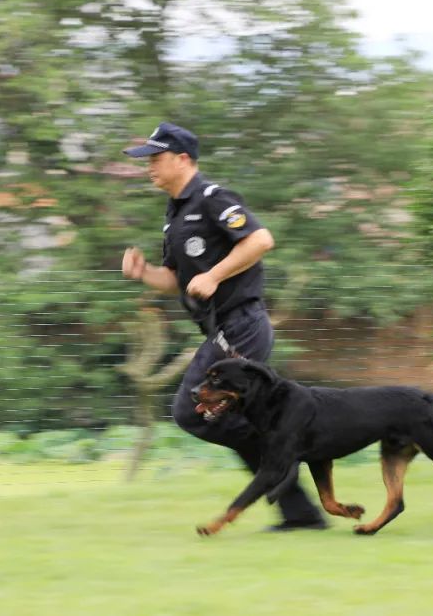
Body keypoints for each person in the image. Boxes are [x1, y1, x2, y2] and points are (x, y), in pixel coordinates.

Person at [121, 121, 327, 531]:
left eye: (156, 159)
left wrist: (214, 275)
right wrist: (144, 273)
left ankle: (290, 452)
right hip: (221, 328)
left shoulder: (213, 198)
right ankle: (299, 510)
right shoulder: (175, 214)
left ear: (183, 159)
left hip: (243, 324)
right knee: (221, 415)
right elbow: (177, 280)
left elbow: (261, 240)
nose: (149, 167)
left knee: (192, 410)